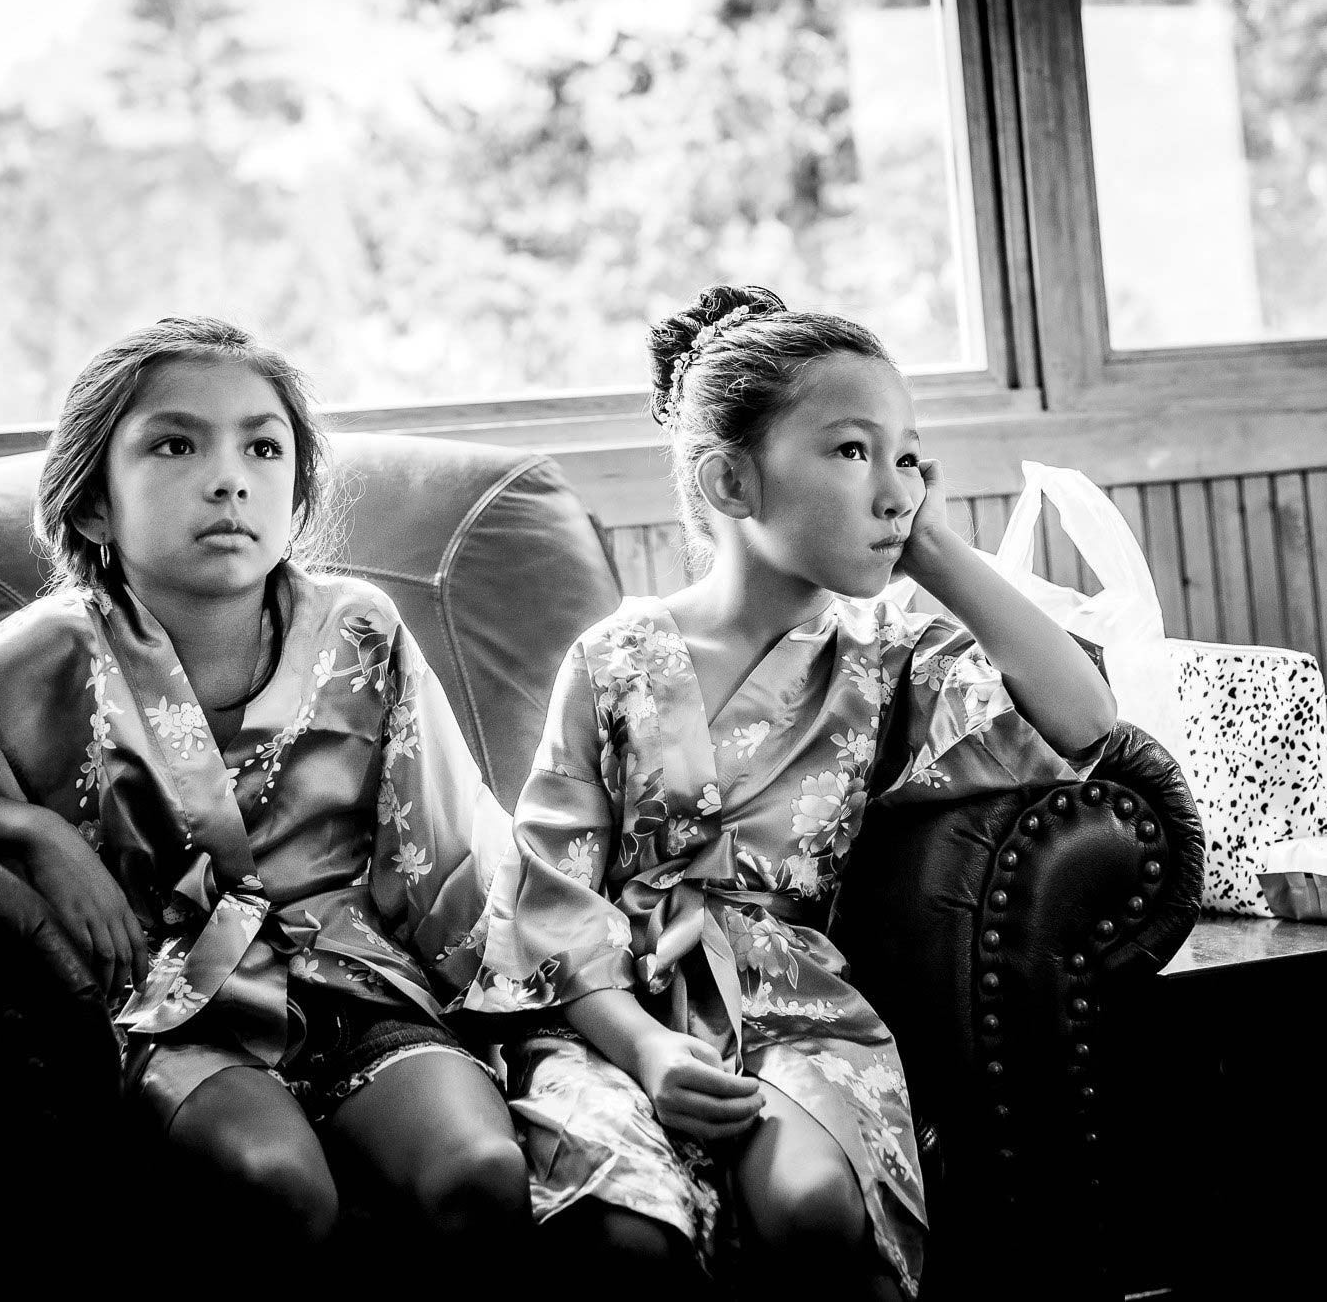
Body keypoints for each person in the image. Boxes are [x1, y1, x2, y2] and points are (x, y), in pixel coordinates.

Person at [0, 315, 528, 1265]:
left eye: (264, 445)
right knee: (277, 1186)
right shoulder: (52, 650)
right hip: (172, 1004)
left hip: (356, 982)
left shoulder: (361, 630)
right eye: (175, 444)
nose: (229, 477)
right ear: (95, 504)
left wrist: (556, 996)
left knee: (478, 1173)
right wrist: (29, 833)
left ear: (296, 491)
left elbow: (453, 842)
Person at [464, 285, 1117, 1298]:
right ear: (730, 480)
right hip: (610, 1008)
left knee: (812, 1206)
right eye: (852, 452)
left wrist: (931, 548)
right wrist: (645, 1051)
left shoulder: (893, 654)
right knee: (622, 1232)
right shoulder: (614, 658)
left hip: (790, 1001)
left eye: (909, 457)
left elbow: (1084, 722)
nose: (893, 487)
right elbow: (550, 898)